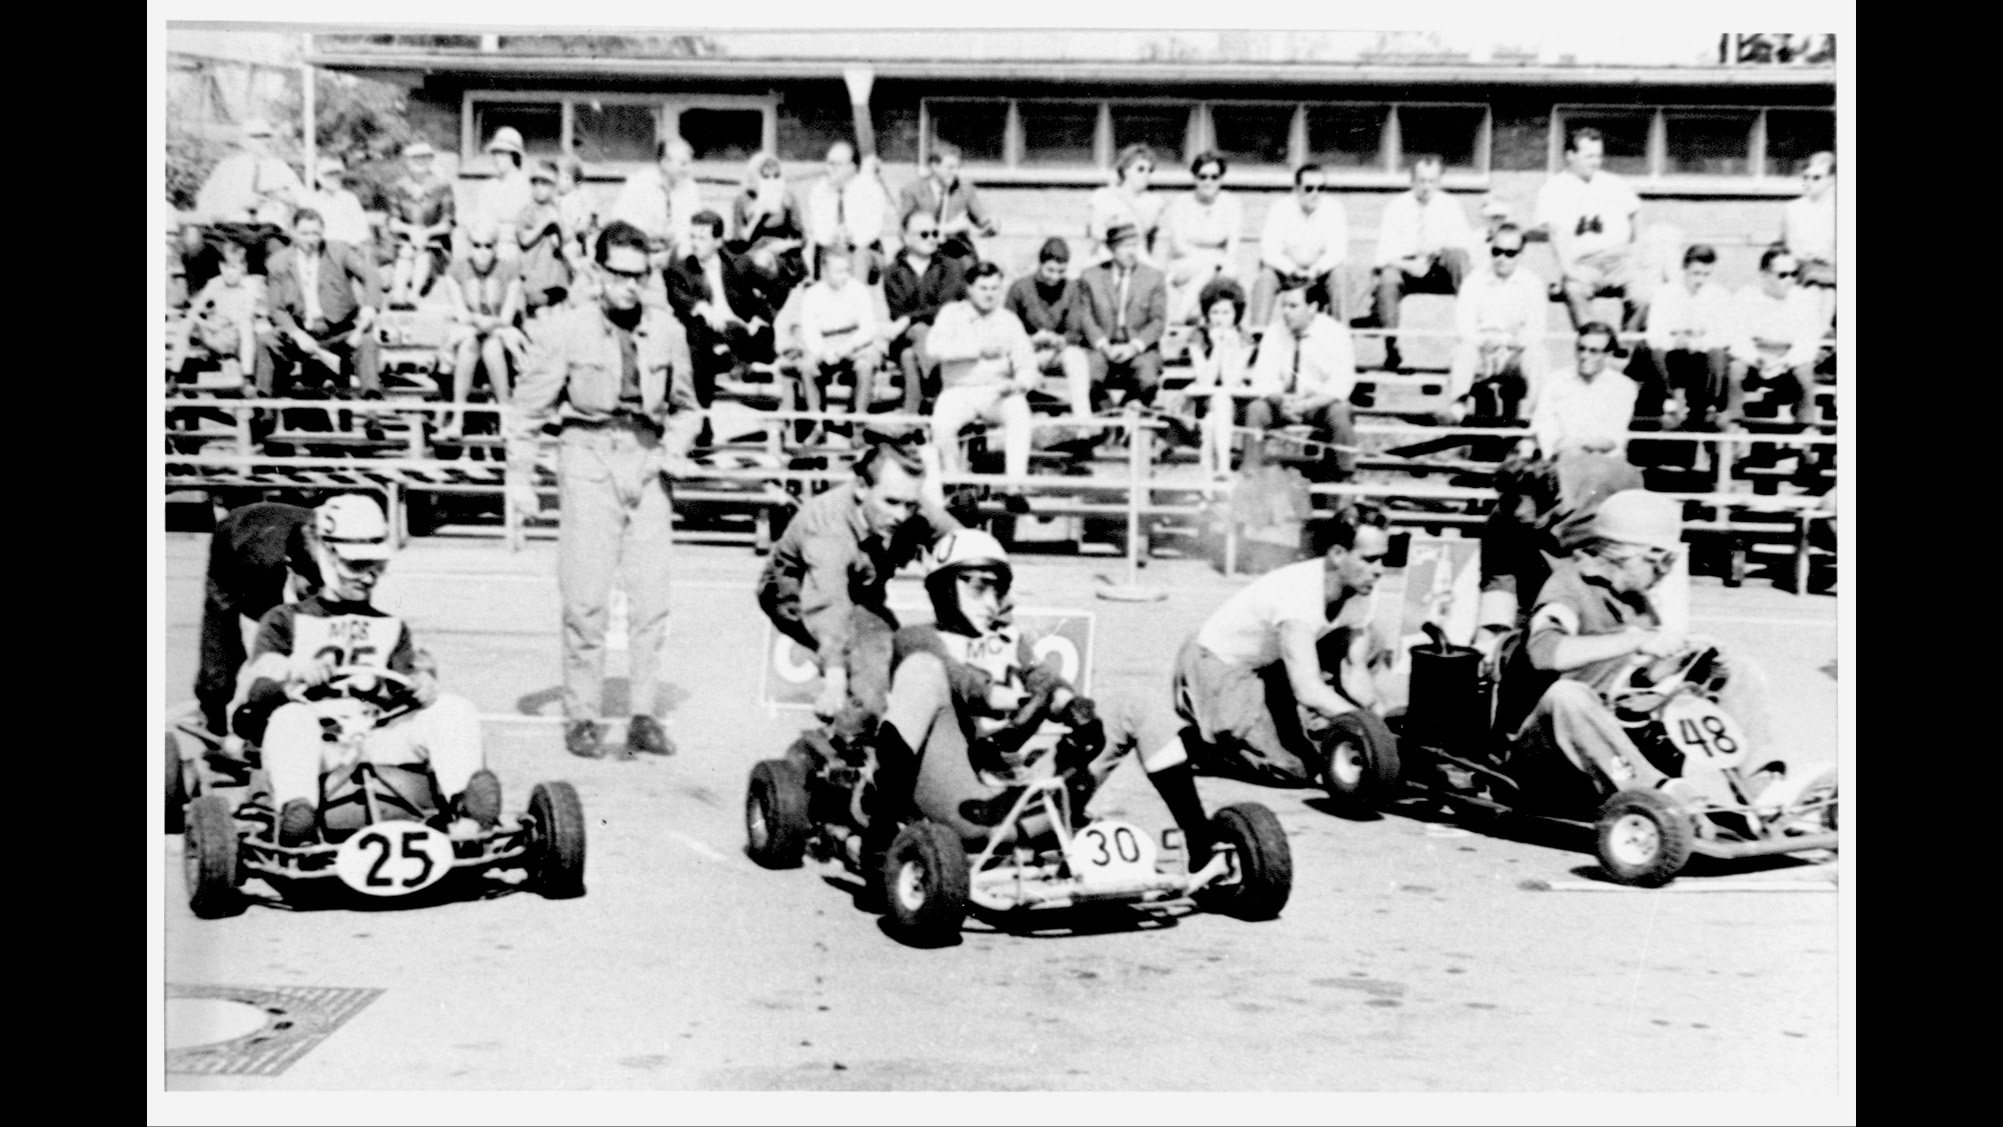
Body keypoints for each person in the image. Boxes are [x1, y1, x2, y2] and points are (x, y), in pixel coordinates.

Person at [504, 220, 702, 760]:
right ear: (597, 273)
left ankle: (642, 713)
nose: (629, 286)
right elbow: (526, 411)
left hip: (647, 461)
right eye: (618, 274)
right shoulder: (566, 331)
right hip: (587, 457)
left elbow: (686, 407)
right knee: (586, 599)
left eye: (639, 276)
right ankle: (583, 714)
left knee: (651, 600)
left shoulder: (668, 332)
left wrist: (674, 449)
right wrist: (518, 478)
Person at [228, 495, 499, 846]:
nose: (369, 578)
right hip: (320, 746)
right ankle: (298, 813)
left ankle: (466, 808)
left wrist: (421, 686)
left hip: (378, 740)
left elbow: (405, 694)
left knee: (453, 708)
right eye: (357, 566)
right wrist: (294, 675)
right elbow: (258, 691)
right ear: (327, 559)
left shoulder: (391, 627)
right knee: (290, 721)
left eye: (376, 566)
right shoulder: (284, 621)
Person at [1506, 490, 1772, 806]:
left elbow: (1638, 682)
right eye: (1660, 559)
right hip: (1548, 752)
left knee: (1738, 671)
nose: (1666, 571)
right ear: (1625, 553)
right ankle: (1660, 796)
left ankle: (1765, 792)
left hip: (1609, 743)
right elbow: (1544, 653)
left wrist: (1689, 664)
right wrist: (1638, 640)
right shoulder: (1567, 586)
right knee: (1567, 696)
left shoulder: (1636, 599)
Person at [1150, 506, 1394, 794]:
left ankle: (1311, 727)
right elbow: (1308, 689)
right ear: (1338, 554)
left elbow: (1355, 669)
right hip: (1220, 664)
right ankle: (1205, 743)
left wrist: (1379, 719)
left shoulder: (1362, 588)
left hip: (1273, 663)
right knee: (1294, 769)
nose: (1380, 570)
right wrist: (1367, 731)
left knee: (1372, 640)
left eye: (1383, 558)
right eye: (1369, 559)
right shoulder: (1297, 595)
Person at [755, 432, 959, 748]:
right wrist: (834, 678)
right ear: (862, 488)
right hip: (795, 592)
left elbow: (963, 545)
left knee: (898, 650)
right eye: (891, 502)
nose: (901, 516)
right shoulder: (829, 529)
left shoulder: (905, 503)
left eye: (910, 504)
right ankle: (851, 742)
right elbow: (830, 607)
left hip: (862, 588)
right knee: (869, 663)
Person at [193, 501, 322, 738]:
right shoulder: (261, 575)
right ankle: (213, 710)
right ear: (291, 570)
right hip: (239, 538)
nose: (320, 596)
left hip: (301, 529)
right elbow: (259, 654)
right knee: (222, 637)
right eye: (313, 588)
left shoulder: (340, 574)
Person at [927, 260, 1040, 490]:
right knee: (941, 423)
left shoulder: (1008, 320)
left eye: (995, 288)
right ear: (969, 289)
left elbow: (1027, 364)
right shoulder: (952, 313)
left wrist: (1020, 384)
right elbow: (933, 349)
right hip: (959, 389)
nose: (989, 294)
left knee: (1019, 411)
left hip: (995, 391)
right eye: (983, 288)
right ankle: (954, 481)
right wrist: (976, 350)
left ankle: (1014, 485)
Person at [256, 208, 384, 399]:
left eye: (315, 233)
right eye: (304, 233)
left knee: (367, 341)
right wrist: (297, 334)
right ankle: (262, 410)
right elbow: (276, 309)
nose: (310, 239)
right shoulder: (278, 262)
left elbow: (371, 275)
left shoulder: (339, 252)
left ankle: (372, 408)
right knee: (266, 341)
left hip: (338, 334)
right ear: (292, 231)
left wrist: (368, 311)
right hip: (301, 337)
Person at [1241, 282, 1361, 478]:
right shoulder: (1274, 332)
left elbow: (1341, 383)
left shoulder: (1335, 333)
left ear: (1312, 307)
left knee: (1341, 411)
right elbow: (1262, 379)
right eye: (1283, 305)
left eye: (1293, 306)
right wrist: (1281, 399)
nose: (1286, 312)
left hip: (1318, 405)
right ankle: (1250, 474)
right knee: (1256, 409)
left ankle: (1342, 486)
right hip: (1282, 404)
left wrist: (1309, 404)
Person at [1534, 127, 1647, 332]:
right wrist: (1568, 269)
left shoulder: (1613, 183)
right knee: (1574, 289)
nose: (1596, 162)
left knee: (1644, 293)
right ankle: (1594, 345)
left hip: (1619, 260)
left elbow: (1636, 214)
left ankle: (1624, 353)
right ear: (1570, 156)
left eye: (1599, 156)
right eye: (1589, 156)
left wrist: (1636, 252)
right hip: (1584, 264)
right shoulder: (1554, 189)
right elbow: (1556, 234)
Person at [1371, 156, 1478, 372]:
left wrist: (1433, 254)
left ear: (1439, 182)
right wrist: (1409, 265)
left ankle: (1473, 338)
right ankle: (1392, 349)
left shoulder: (1450, 205)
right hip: (1406, 268)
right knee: (1387, 278)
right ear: (1412, 181)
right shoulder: (1397, 207)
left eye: (1432, 181)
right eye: (1421, 180)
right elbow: (1383, 255)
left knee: (1459, 258)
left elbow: (1465, 246)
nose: (1426, 187)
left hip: (1439, 268)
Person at [666, 208, 777, 413]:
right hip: (708, 341)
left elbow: (778, 288)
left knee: (714, 337)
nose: (694, 243)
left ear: (718, 242)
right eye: (692, 237)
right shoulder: (683, 268)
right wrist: (701, 307)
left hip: (743, 336)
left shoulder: (739, 264)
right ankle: (703, 417)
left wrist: (760, 318)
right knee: (699, 333)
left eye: (701, 238)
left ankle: (702, 417)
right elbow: (675, 295)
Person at [1446, 223, 1548, 428]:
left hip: (1513, 354)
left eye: (1510, 253)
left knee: (1538, 354)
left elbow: (1536, 331)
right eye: (1497, 251)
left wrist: (1505, 342)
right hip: (1481, 352)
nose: (1502, 258)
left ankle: (1539, 414)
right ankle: (1458, 406)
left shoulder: (1532, 284)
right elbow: (1463, 326)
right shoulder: (1474, 281)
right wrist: (1483, 343)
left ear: (1521, 254)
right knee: (1463, 350)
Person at [438, 221, 527, 439]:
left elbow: (506, 317)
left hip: (499, 335)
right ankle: (458, 419)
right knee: (469, 343)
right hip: (468, 332)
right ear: (470, 246)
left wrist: (486, 323)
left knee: (492, 346)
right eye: (477, 245)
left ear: (496, 247)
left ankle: (505, 419)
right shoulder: (456, 270)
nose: (483, 252)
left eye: (488, 246)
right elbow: (461, 313)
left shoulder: (509, 270)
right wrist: (480, 321)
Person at [791, 240, 885, 444]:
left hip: (855, 342)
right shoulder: (812, 294)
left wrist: (844, 349)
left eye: (847, 270)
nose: (844, 276)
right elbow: (809, 330)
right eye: (838, 271)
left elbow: (868, 329)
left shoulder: (858, 290)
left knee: (865, 366)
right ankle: (818, 424)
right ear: (824, 270)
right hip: (824, 343)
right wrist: (822, 352)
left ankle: (858, 426)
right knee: (807, 366)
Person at [1724, 247, 1828, 430]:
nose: (1790, 280)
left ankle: (1805, 434)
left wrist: (1785, 362)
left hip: (1788, 364)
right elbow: (1737, 337)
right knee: (1735, 370)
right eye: (1783, 275)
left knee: (1805, 372)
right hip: (1754, 362)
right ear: (1764, 275)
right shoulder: (1746, 297)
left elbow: (1807, 342)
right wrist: (1757, 359)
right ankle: (1733, 427)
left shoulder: (1803, 300)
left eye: (1794, 274)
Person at [1634, 243, 1733, 432]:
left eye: (1706, 274)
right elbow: (1655, 333)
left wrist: (1695, 342)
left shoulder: (1719, 296)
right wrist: (1674, 341)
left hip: (1700, 357)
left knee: (1717, 354)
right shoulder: (1665, 293)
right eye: (1696, 273)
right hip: (1671, 356)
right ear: (1684, 270)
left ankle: (1711, 407)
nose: (1701, 280)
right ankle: (1669, 402)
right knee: (1656, 351)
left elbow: (1723, 335)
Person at [1002, 237, 1094, 435]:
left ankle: (1083, 424)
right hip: (1026, 352)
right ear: (1040, 265)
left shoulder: (1071, 289)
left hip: (1055, 351)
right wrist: (1031, 340)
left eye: (1061, 272)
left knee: (1076, 357)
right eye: (1050, 270)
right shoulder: (1020, 288)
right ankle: (1019, 429)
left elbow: (1075, 331)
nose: (1055, 277)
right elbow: (1006, 330)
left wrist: (1059, 340)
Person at [1076, 221, 1169, 413]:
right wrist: (1103, 345)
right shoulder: (1090, 277)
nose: (1132, 252)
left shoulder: (1153, 277)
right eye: (1126, 246)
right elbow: (1085, 317)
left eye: (1135, 245)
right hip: (1101, 348)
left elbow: (1158, 321)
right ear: (1111, 248)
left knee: (1147, 379)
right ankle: (1109, 418)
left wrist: (1133, 347)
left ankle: (1128, 415)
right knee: (1087, 377)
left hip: (1139, 349)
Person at [882, 210, 969, 415]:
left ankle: (911, 417)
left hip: (944, 336)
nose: (932, 239)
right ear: (905, 237)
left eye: (935, 233)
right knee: (919, 331)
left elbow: (946, 308)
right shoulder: (892, 273)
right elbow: (898, 313)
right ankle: (938, 401)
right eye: (924, 234)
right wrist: (913, 320)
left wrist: (911, 318)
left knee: (909, 356)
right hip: (907, 337)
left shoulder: (951, 266)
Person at [1252, 163, 1353, 328]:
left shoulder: (1334, 209)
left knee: (1340, 276)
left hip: (1320, 274)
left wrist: (1316, 270)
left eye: (1321, 188)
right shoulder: (1280, 209)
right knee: (1265, 277)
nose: (1315, 194)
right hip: (1287, 274)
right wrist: (1292, 270)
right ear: (1297, 189)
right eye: (1309, 188)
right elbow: (1269, 250)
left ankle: (1341, 338)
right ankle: (1257, 338)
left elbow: (1337, 252)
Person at [193, 117, 302, 268]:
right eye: (257, 137)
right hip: (232, 231)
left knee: (280, 256)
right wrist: (239, 204)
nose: (264, 141)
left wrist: (280, 196)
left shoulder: (281, 168)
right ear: (244, 141)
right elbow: (204, 205)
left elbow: (305, 200)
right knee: (201, 251)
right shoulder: (227, 167)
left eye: (267, 136)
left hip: (267, 232)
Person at [1176, 278, 1258, 478]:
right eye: (1214, 312)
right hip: (1204, 401)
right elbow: (1205, 381)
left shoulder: (1245, 339)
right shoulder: (1198, 336)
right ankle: (1223, 466)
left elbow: (1231, 381)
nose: (1220, 318)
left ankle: (1215, 468)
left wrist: (1229, 347)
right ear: (1206, 313)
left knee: (1218, 409)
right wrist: (1217, 349)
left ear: (1236, 313)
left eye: (1226, 312)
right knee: (1216, 408)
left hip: (1236, 402)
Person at [1528, 322, 1639, 461]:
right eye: (1581, 349)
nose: (1584, 356)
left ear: (1608, 354)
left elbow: (1613, 437)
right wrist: (1559, 446)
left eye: (1593, 351)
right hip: (1561, 460)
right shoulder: (1555, 380)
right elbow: (1543, 424)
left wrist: (1579, 446)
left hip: (1604, 463)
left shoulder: (1623, 386)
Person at [1160, 151, 1245, 327]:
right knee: (1206, 269)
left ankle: (1184, 317)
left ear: (1221, 179)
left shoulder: (1231, 204)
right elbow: (1178, 245)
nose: (1208, 182)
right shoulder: (1182, 203)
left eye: (1214, 177)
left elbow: (1233, 247)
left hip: (1219, 263)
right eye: (1203, 176)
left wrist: (1219, 261)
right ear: (1195, 178)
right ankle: (1182, 319)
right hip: (1184, 263)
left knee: (1228, 272)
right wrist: (1210, 260)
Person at [896, 141, 997, 270]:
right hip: (923, 249)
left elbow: (983, 220)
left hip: (956, 250)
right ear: (934, 166)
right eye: (950, 167)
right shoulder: (912, 191)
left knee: (970, 269)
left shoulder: (965, 189)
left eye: (957, 168)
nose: (955, 172)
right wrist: (947, 229)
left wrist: (992, 224)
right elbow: (904, 232)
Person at [178, 241, 265, 386]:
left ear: (243, 268)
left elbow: (248, 313)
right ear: (220, 266)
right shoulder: (215, 284)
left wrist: (230, 321)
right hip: (217, 335)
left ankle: (247, 378)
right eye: (225, 266)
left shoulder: (250, 284)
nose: (229, 272)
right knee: (186, 323)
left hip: (238, 337)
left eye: (234, 267)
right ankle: (174, 375)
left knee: (246, 325)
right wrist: (208, 324)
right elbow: (192, 311)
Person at [804, 141, 890, 284]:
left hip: (866, 253)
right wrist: (834, 237)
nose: (829, 169)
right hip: (832, 248)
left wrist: (850, 236)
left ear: (852, 167)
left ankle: (855, 299)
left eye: (835, 164)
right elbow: (820, 234)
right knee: (827, 255)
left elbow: (871, 233)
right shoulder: (819, 191)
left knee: (859, 256)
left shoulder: (871, 190)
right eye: (828, 163)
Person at [612, 137, 702, 273]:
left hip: (675, 257)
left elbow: (694, 225)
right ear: (665, 163)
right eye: (683, 164)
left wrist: (674, 245)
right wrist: (648, 237)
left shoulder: (690, 187)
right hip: (640, 253)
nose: (689, 170)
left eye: (689, 163)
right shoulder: (639, 183)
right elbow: (620, 220)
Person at [385, 140, 456, 309]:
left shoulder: (442, 186)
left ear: (431, 160)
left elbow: (448, 223)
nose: (420, 161)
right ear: (407, 161)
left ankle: (413, 295)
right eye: (415, 157)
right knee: (406, 251)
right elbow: (393, 222)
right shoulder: (398, 187)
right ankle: (399, 293)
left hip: (435, 247)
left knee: (422, 251)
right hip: (405, 245)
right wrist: (410, 230)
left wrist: (426, 233)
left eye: (425, 157)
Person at [730, 151, 807, 290]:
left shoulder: (787, 197)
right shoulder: (742, 200)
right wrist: (758, 215)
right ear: (754, 177)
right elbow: (737, 243)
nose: (771, 182)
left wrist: (787, 245)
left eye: (776, 176)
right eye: (765, 177)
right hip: (753, 255)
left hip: (783, 254)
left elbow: (802, 239)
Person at [1781, 151, 1837, 323]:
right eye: (1806, 177)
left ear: (1831, 179)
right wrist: (1810, 256)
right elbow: (1791, 247)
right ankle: (1820, 334)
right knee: (1818, 284)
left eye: (1816, 177)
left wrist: (1829, 257)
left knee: (1826, 285)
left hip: (1833, 268)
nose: (1809, 182)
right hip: (1804, 269)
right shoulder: (1793, 209)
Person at [1086, 144, 1164, 266]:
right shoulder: (1102, 196)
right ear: (1125, 170)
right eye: (1140, 169)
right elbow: (1097, 233)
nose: (1146, 174)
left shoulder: (1153, 202)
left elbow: (1141, 231)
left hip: (1137, 256)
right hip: (1105, 255)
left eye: (1150, 170)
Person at [515, 160, 573, 321]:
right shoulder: (527, 211)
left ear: (554, 187)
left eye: (545, 183)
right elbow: (524, 239)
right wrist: (545, 223)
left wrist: (561, 227)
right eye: (536, 183)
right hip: (535, 277)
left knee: (560, 318)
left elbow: (567, 238)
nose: (539, 188)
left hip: (556, 277)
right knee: (542, 317)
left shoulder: (557, 210)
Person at [478, 127, 534, 267]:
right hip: (491, 247)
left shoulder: (526, 186)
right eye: (495, 153)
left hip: (519, 249)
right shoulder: (488, 187)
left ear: (514, 156)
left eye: (502, 154)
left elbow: (528, 224)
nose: (497, 159)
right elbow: (482, 221)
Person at [305, 156, 373, 251]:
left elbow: (362, 229)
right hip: (323, 250)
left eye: (337, 174)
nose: (334, 178)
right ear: (320, 176)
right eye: (329, 174)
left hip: (349, 249)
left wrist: (353, 242)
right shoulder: (313, 201)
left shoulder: (349, 199)